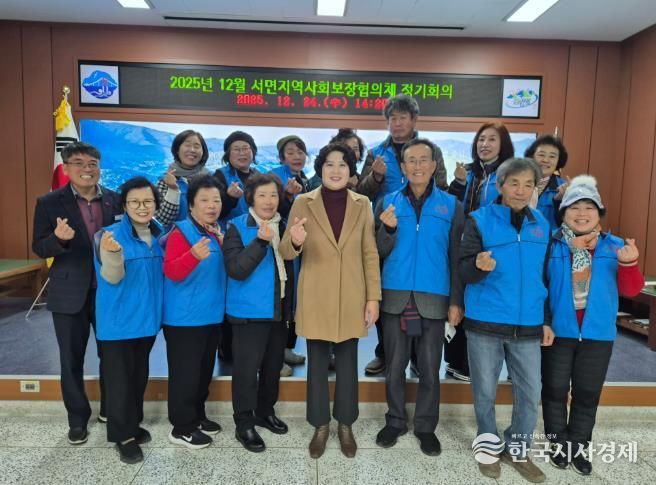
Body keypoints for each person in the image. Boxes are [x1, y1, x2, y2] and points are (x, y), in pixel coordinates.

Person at [280, 143, 381, 459]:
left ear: (351, 171)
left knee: (348, 363)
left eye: (342, 164)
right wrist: (295, 240)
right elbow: (285, 251)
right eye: (329, 164)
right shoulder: (303, 202)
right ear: (320, 169)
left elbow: (369, 252)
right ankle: (320, 425)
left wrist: (373, 297)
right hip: (316, 294)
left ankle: (346, 424)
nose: (335, 170)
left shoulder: (362, 204)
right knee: (317, 364)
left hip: (352, 294)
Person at [542, 175, 644, 475]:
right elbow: (541, 288)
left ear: (599, 213)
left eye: (589, 207)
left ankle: (579, 447)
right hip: (558, 332)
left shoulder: (615, 246)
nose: (582, 213)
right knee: (554, 390)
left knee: (587, 394)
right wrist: (544, 323)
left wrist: (629, 264)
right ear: (564, 212)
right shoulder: (552, 245)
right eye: (574, 207)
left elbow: (631, 290)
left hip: (598, 335)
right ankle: (558, 444)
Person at [459, 158, 552, 483]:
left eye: (528, 184)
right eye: (514, 183)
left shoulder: (542, 225)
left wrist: (546, 319)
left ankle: (518, 448)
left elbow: (545, 276)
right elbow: (463, 269)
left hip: (528, 324)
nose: (521, 191)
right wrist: (477, 266)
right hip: (486, 321)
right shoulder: (479, 220)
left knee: (530, 391)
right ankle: (487, 445)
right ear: (500, 186)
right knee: (485, 390)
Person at [374, 138, 464, 456]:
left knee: (429, 366)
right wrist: (386, 230)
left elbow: (456, 256)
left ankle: (425, 427)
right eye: (410, 160)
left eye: (423, 160)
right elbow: (376, 252)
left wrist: (456, 301)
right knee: (395, 365)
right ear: (402, 166)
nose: (417, 166)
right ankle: (395, 420)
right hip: (395, 294)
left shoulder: (451, 206)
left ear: (434, 165)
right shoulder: (386, 202)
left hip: (434, 295)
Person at [32, 142, 122, 445]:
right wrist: (58, 240)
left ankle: (110, 409)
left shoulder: (115, 199)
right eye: (79, 163)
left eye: (93, 163)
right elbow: (39, 247)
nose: (87, 169)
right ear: (66, 168)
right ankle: (77, 419)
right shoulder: (49, 202)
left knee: (112, 355)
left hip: (109, 291)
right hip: (69, 292)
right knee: (71, 359)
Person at [357, 95, 448, 377]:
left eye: (402, 118)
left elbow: (441, 187)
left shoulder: (431, 151)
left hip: (422, 229)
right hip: (386, 229)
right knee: (386, 294)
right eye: (392, 119)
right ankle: (385, 354)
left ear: (414, 120)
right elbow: (361, 194)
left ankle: (419, 358)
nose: (397, 123)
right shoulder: (376, 153)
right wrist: (375, 177)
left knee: (419, 296)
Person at [93, 177, 164, 464]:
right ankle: (122, 436)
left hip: (146, 322)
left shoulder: (158, 234)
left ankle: (132, 425)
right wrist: (113, 255)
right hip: (119, 323)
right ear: (124, 205)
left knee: (138, 377)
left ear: (155, 204)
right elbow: (112, 277)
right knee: (120, 382)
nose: (142, 207)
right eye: (134, 202)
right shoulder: (108, 236)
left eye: (147, 201)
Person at [223, 173, 294, 453]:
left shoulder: (284, 225)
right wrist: (260, 242)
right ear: (250, 197)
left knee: (272, 367)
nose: (269, 201)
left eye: (274, 195)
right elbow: (236, 270)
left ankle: (265, 412)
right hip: (249, 313)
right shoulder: (237, 226)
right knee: (245, 370)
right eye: (262, 195)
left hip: (278, 309)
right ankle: (244, 423)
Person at [446, 121, 515, 382]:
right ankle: (455, 360)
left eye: (491, 139)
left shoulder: (508, 174)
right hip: (464, 244)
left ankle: (472, 365)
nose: (484, 144)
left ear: (503, 144)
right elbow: (454, 206)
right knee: (459, 298)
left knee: (481, 301)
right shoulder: (469, 171)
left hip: (491, 246)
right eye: (481, 139)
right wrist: (458, 183)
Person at [162, 175, 226, 449]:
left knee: (202, 373)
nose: (212, 206)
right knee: (185, 375)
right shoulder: (182, 233)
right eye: (204, 200)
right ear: (191, 205)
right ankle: (181, 427)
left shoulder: (213, 232)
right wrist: (192, 256)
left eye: (216, 200)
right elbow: (171, 271)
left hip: (210, 316)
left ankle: (197, 416)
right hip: (185, 319)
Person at [213, 130, 261, 362]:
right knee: (229, 293)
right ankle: (227, 349)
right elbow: (214, 211)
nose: (242, 153)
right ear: (227, 154)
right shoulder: (220, 176)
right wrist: (230, 198)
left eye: (246, 148)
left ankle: (252, 350)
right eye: (236, 149)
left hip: (256, 241)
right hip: (230, 242)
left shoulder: (259, 176)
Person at [269, 135, 309, 376]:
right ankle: (274, 356)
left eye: (300, 152)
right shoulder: (274, 177)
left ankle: (287, 348)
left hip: (299, 246)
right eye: (291, 152)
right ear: (281, 156)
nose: (296, 156)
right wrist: (287, 196)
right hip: (279, 246)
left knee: (294, 299)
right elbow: (272, 210)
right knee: (282, 299)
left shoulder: (305, 178)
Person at [155, 129, 222, 225]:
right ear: (177, 150)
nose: (192, 150)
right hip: (176, 234)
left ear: (203, 152)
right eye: (187, 145)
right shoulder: (165, 180)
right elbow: (161, 220)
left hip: (206, 233)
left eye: (197, 146)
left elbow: (220, 215)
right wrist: (172, 190)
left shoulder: (212, 178)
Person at [524, 134, 569, 229]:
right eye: (541, 155)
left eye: (552, 156)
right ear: (532, 157)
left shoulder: (564, 188)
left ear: (558, 161)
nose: (545, 160)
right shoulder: (518, 183)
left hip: (549, 238)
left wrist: (561, 201)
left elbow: (569, 227)